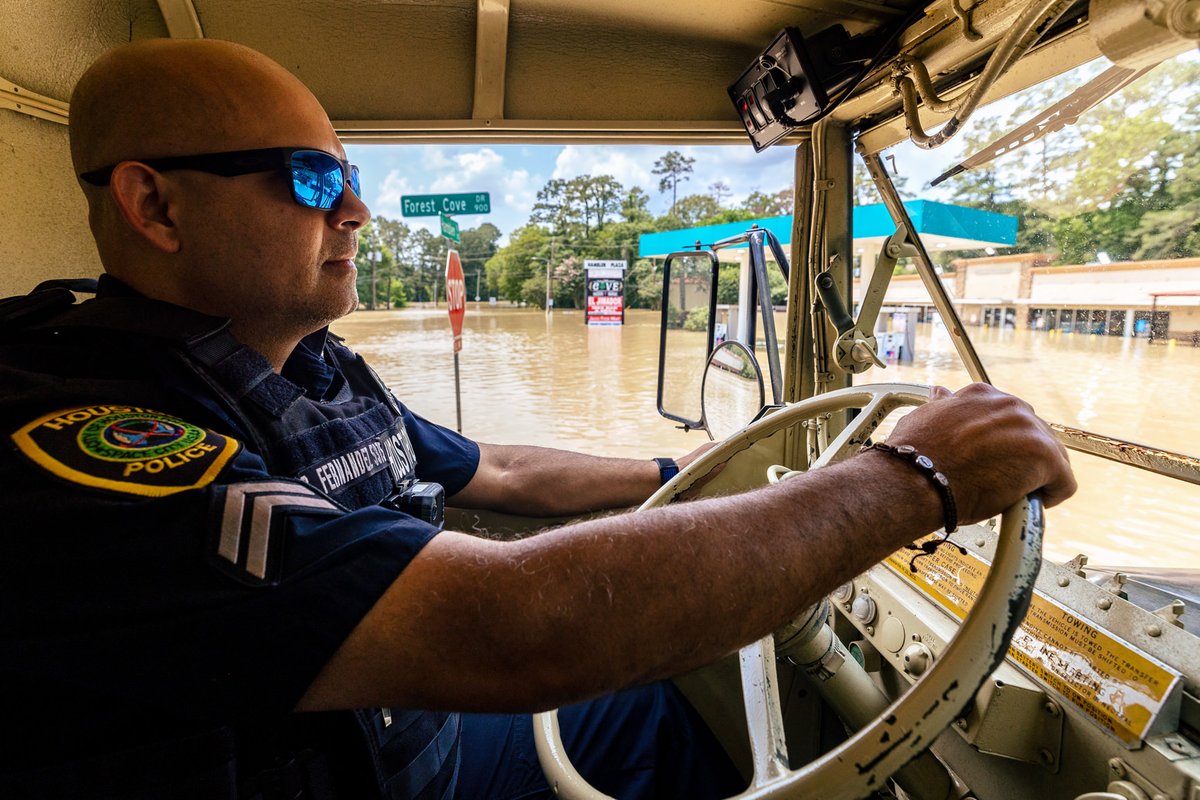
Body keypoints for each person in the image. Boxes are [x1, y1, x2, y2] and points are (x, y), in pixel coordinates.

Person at [0, 38, 1076, 800]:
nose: (357, 209)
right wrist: (908, 480)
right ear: (155, 205)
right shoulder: (77, 436)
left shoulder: (316, 369)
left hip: (415, 751)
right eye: (313, 174)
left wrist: (695, 466)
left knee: (665, 710)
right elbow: (512, 626)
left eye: (353, 174)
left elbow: (500, 469)